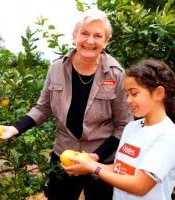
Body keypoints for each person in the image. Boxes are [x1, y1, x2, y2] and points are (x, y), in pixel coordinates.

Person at [0, 9, 133, 200]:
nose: (90, 41)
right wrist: (15, 129)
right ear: (74, 36)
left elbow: (123, 125)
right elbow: (43, 107)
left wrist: (95, 157)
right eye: (84, 33)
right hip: (64, 157)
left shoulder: (116, 74)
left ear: (106, 41)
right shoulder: (57, 68)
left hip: (102, 161)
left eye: (98, 36)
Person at [62, 59, 175, 199]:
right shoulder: (131, 127)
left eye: (134, 93)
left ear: (159, 93)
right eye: (127, 94)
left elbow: (140, 186)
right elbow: (120, 169)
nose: (128, 100)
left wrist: (93, 169)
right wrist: (91, 163)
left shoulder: (167, 135)